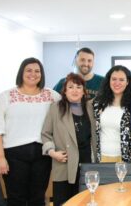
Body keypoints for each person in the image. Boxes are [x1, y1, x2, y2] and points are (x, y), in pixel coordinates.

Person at [0, 57, 60, 206]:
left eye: (37, 71)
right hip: (14, 155)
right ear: (21, 72)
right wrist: (0, 158)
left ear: (42, 74)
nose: (33, 74)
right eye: (29, 70)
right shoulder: (6, 97)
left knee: (38, 197)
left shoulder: (52, 96)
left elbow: (63, 119)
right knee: (16, 198)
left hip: (42, 154)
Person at [42, 73, 97, 206]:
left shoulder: (90, 107)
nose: (74, 90)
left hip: (86, 162)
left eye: (78, 87)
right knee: (64, 202)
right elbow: (45, 133)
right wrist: (52, 152)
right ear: (65, 90)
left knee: (85, 201)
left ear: (84, 91)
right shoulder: (56, 108)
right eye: (70, 87)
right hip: (63, 162)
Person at [92, 65, 131, 163]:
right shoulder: (98, 103)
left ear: (127, 82)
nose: (117, 83)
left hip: (125, 159)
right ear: (109, 81)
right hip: (101, 158)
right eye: (114, 79)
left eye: (121, 80)